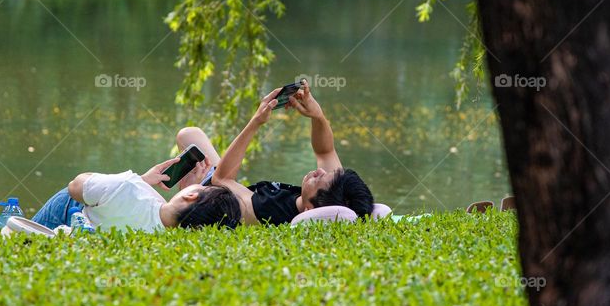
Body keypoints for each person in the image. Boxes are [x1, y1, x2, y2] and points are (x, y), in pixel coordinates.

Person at [187, 81, 375, 225]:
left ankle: (188, 189)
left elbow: (222, 179)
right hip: (231, 189)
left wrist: (256, 122)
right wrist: (317, 116)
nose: (319, 172)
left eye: (318, 180)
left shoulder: (268, 211)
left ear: (309, 210)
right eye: (326, 173)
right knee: (191, 135)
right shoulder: (332, 193)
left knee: (188, 137)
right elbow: (325, 151)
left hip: (208, 198)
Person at [26, 153, 241, 233]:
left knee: (71, 194)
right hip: (89, 229)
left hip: (69, 211)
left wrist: (139, 180)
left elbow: (75, 186)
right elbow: (165, 215)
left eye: (202, 186)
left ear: (191, 196)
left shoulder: (128, 186)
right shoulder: (173, 238)